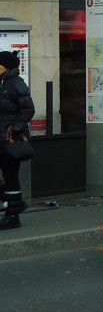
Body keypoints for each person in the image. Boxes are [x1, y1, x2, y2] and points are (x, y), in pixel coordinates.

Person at [0, 50, 35, 230]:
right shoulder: (3, 83)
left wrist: (15, 128)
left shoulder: (15, 83)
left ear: (6, 67)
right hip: (1, 138)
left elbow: (28, 109)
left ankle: (12, 216)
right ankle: (15, 203)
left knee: (10, 176)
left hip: (10, 139)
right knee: (8, 176)